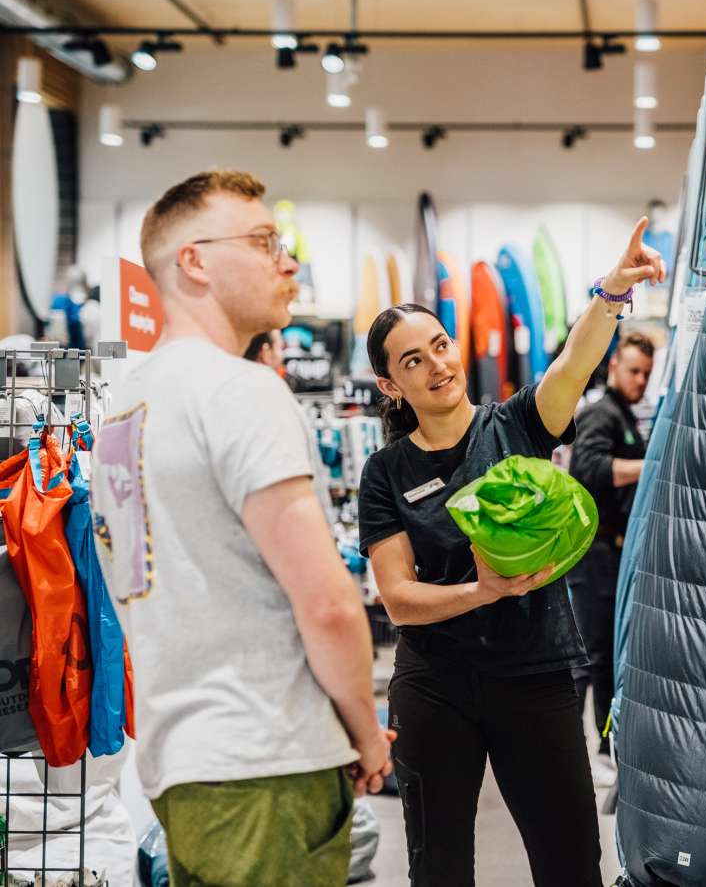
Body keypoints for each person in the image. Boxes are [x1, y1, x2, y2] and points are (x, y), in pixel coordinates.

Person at [90, 170, 394, 887]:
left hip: (182, 769)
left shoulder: (123, 412)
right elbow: (325, 603)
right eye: (263, 242)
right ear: (193, 260)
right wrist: (366, 734)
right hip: (268, 760)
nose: (286, 261)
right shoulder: (242, 391)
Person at [358, 218, 665, 887]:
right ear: (391, 386)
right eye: (412, 361)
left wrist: (612, 291)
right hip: (435, 687)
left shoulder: (516, 424)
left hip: (537, 675)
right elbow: (399, 600)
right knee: (438, 872)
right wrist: (481, 591)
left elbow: (574, 365)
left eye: (439, 346)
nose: (437, 365)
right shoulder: (385, 473)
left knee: (570, 865)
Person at [567, 331, 655, 786]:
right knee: (592, 654)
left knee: (605, 654)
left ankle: (603, 744)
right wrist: (652, 463)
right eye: (634, 370)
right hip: (593, 553)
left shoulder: (623, 416)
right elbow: (588, 469)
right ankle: (576, 749)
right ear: (615, 366)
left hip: (610, 553)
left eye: (646, 373)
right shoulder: (602, 414)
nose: (640, 380)